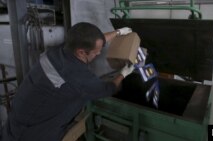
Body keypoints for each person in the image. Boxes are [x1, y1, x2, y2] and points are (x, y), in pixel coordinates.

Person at [2, 22, 134, 141]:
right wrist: (123, 73)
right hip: (30, 134)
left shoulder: (60, 50)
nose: (99, 53)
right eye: (96, 52)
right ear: (82, 53)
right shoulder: (77, 77)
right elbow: (109, 88)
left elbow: (94, 42)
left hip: (17, 120)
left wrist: (118, 32)